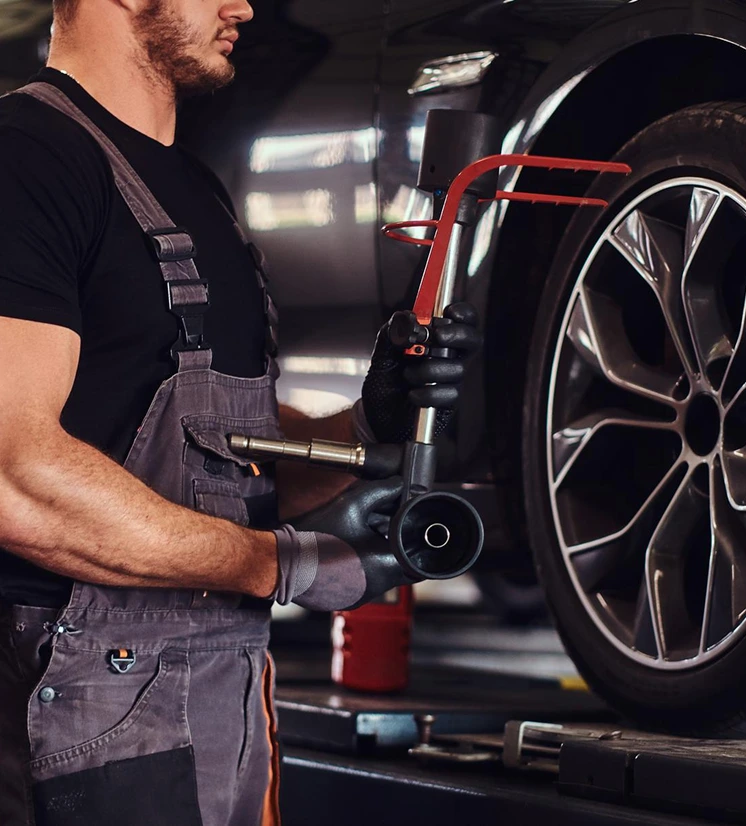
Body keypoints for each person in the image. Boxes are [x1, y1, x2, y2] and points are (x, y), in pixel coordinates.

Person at [0, 1, 481, 824]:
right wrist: (283, 565)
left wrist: (363, 425)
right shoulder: (26, 156)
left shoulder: (192, 189)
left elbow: (216, 464)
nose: (243, 6)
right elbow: (14, 478)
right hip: (72, 692)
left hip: (216, 693)